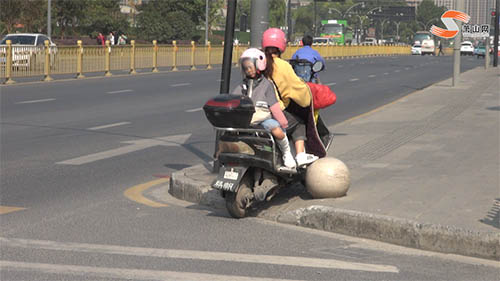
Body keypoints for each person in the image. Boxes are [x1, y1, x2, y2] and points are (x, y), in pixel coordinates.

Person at [261, 28, 320, 167]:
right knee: (299, 122)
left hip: (256, 112)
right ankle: (300, 155)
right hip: (273, 113)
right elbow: (299, 92)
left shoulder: (258, 62)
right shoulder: (282, 66)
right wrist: (307, 97)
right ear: (282, 46)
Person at [232, 48, 296, 169]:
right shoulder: (242, 86)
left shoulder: (266, 84)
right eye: (245, 67)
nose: (248, 70)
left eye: (250, 66)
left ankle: (287, 153)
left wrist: (283, 122)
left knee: (277, 130)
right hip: (244, 121)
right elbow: (233, 101)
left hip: (262, 120)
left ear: (259, 65)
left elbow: (274, 106)